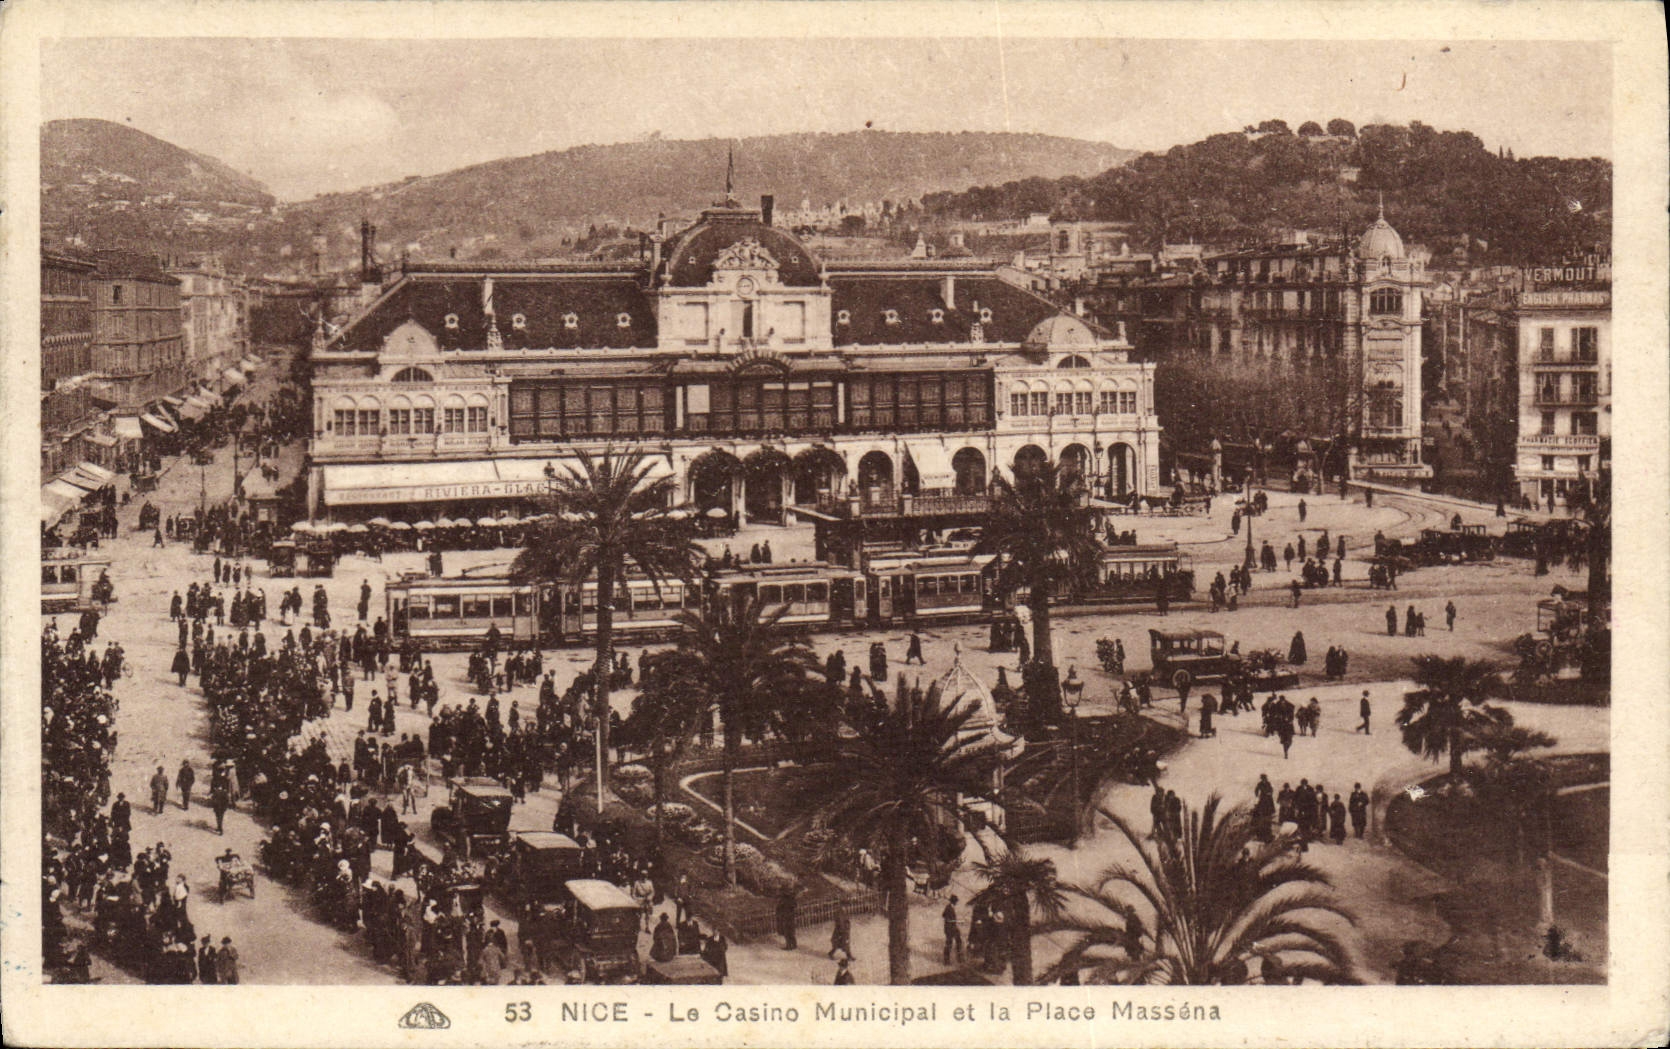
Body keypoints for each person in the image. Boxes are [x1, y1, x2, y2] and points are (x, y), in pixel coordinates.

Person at [942, 895, 964, 964]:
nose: (957, 903)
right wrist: (959, 922)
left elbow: (943, 915)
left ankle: (959, 958)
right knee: (949, 944)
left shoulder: (950, 907)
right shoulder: (949, 908)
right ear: (954, 902)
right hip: (949, 929)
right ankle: (947, 961)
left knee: (959, 941)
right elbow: (947, 919)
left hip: (953, 928)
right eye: (956, 901)